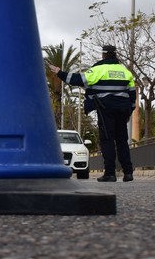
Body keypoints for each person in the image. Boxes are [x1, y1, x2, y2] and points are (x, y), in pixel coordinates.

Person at [51, 44, 136, 182]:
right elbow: (132, 95)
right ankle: (128, 173)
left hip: (105, 109)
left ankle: (110, 173)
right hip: (122, 110)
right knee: (122, 141)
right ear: (115, 55)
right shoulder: (124, 71)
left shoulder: (98, 69)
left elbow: (78, 80)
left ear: (103, 55)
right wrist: (129, 112)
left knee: (107, 140)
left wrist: (60, 72)